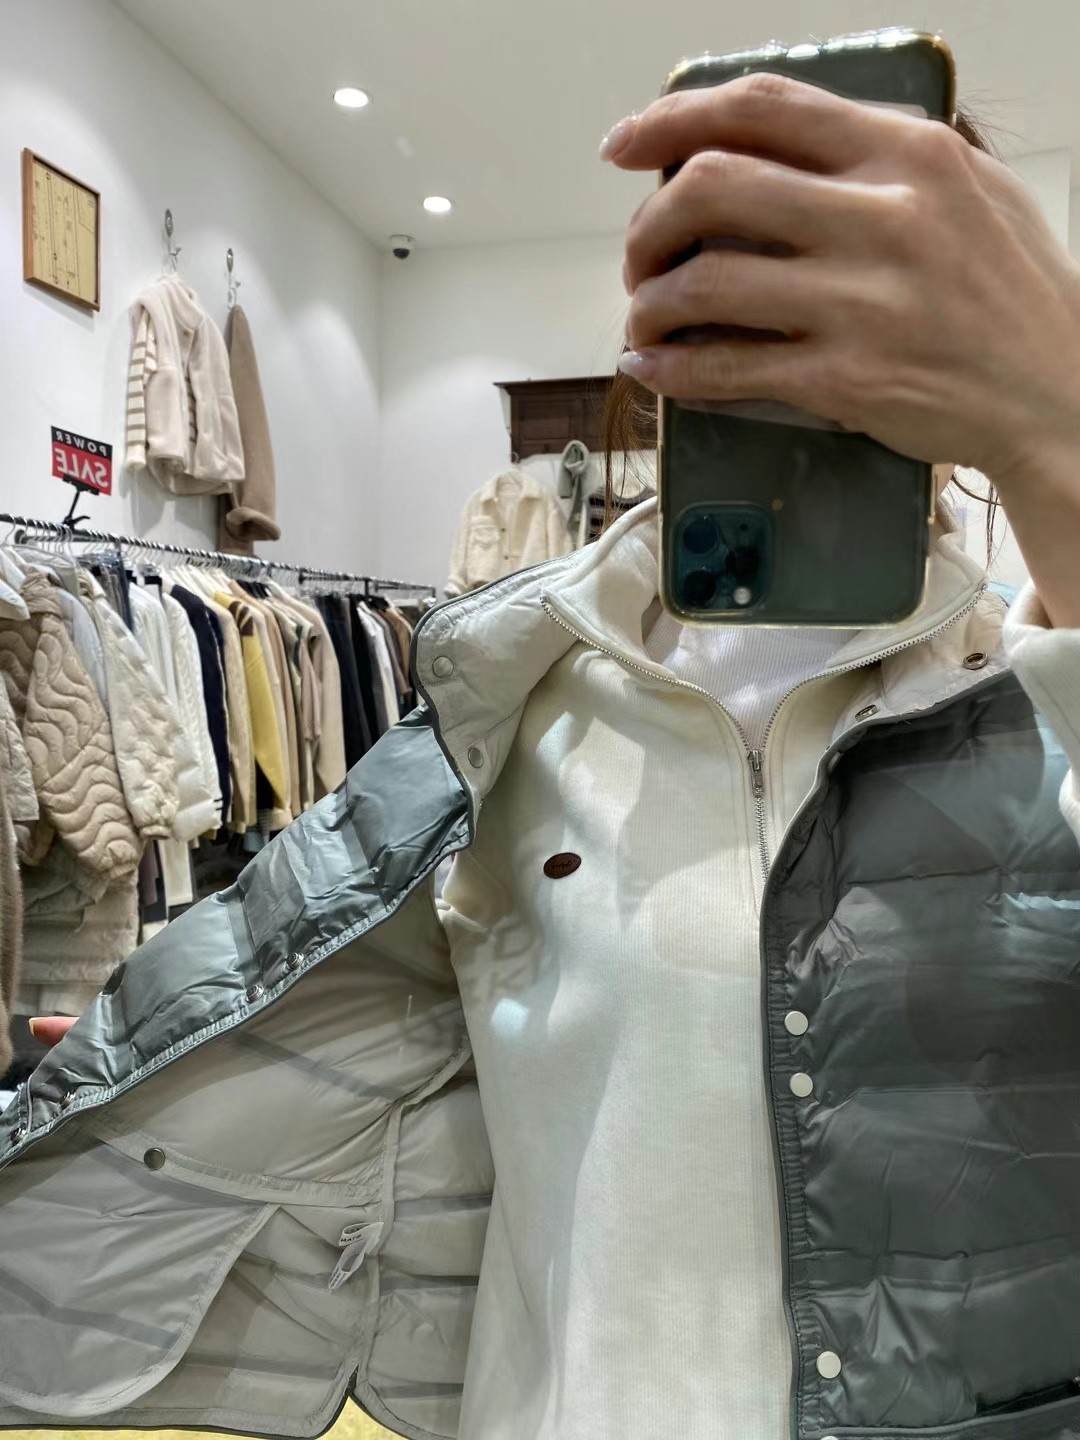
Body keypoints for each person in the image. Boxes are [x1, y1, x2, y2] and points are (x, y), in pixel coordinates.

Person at [4, 72, 1080, 1440]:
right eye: (747, 273)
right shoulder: (512, 705)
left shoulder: (1042, 695)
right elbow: (329, 1003)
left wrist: (1060, 425)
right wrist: (173, 1064)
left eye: (887, 282)